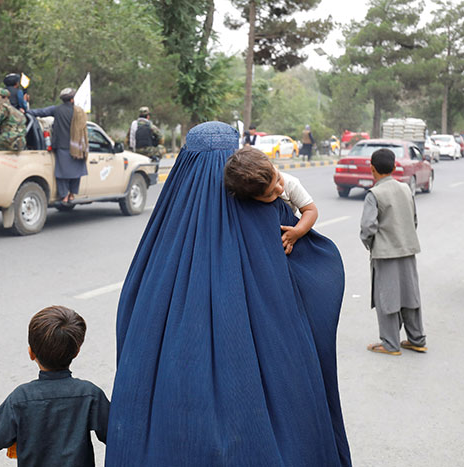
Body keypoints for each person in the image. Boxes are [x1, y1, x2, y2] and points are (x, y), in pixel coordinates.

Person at [106, 121, 351, 466]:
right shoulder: (266, 209)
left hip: (177, 385)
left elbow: (135, 301)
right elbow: (307, 276)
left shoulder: (169, 218)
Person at [0, 305, 109, 467]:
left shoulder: (20, 398)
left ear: (31, 353)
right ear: (76, 352)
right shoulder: (90, 394)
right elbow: (114, 435)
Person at [360, 148, 426, 356]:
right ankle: (417, 340)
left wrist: (370, 244)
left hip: (385, 254)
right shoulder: (406, 189)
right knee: (410, 295)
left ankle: (390, 344)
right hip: (407, 250)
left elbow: (367, 228)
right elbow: (413, 220)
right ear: (395, 167)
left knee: (387, 298)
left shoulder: (374, 194)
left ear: (372, 169)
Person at [224, 146, 318, 254]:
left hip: (292, 232)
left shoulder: (291, 183)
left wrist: (298, 232)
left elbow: (311, 210)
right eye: (270, 194)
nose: (280, 189)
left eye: (278, 178)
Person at [28, 88, 88, 203]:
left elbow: (40, 112)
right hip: (78, 147)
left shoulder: (56, 109)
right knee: (76, 172)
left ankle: (64, 195)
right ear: (72, 99)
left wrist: (25, 111)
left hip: (62, 146)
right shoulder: (80, 111)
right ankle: (71, 194)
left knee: (62, 173)